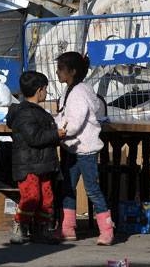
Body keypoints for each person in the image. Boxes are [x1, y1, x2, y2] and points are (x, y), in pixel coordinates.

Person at [54, 51, 112, 245]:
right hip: (73, 148)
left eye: (61, 69)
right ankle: (67, 228)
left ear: (72, 71)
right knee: (68, 187)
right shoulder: (70, 90)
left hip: (84, 148)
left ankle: (106, 229)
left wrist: (60, 131)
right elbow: (64, 116)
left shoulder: (79, 92)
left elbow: (75, 122)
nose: (58, 72)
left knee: (92, 189)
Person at [6, 71, 65, 245]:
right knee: (31, 196)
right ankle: (19, 226)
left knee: (46, 198)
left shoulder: (38, 112)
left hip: (43, 164)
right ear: (40, 90)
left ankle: (42, 229)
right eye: (46, 89)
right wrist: (56, 135)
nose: (46, 93)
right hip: (29, 164)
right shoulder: (25, 113)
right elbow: (34, 137)